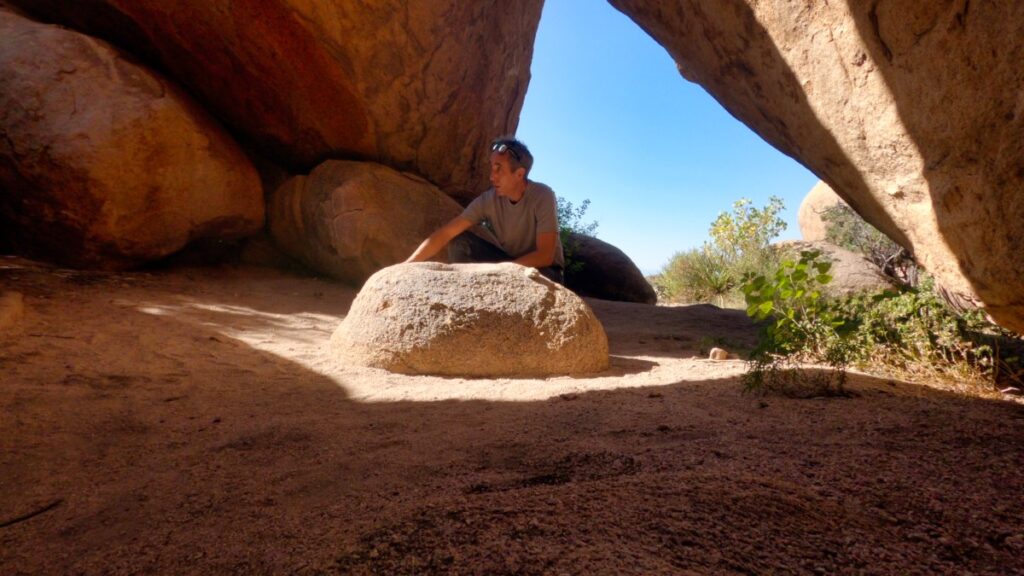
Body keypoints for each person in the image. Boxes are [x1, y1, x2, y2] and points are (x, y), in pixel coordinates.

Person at [404, 137, 565, 283]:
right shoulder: (489, 200)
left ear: (519, 174)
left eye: (498, 168)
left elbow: (545, 255)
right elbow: (447, 233)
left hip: (544, 272)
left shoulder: (542, 195)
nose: (491, 176)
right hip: (510, 262)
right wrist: (408, 265)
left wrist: (499, 270)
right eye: (491, 167)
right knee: (460, 242)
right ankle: (464, 291)